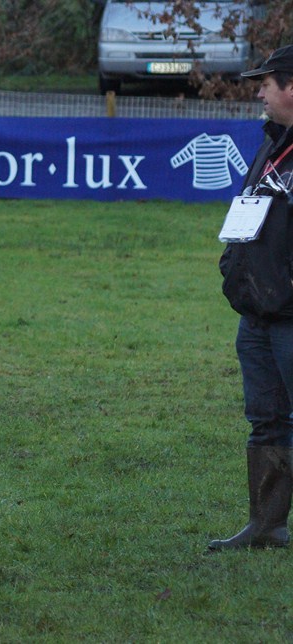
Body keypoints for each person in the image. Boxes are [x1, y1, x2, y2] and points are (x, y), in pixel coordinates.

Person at [212, 44, 293, 550]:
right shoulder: (272, 145)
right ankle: (267, 525)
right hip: (259, 314)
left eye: (266, 82)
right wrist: (233, 266)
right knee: (265, 419)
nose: (259, 91)